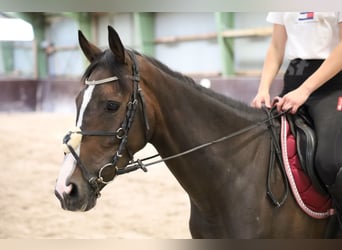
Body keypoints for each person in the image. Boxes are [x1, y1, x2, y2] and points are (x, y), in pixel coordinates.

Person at [251, 12, 342, 226]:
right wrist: (263, 89)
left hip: (332, 85)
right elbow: (276, 47)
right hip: (294, 80)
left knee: (329, 161)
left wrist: (306, 90)